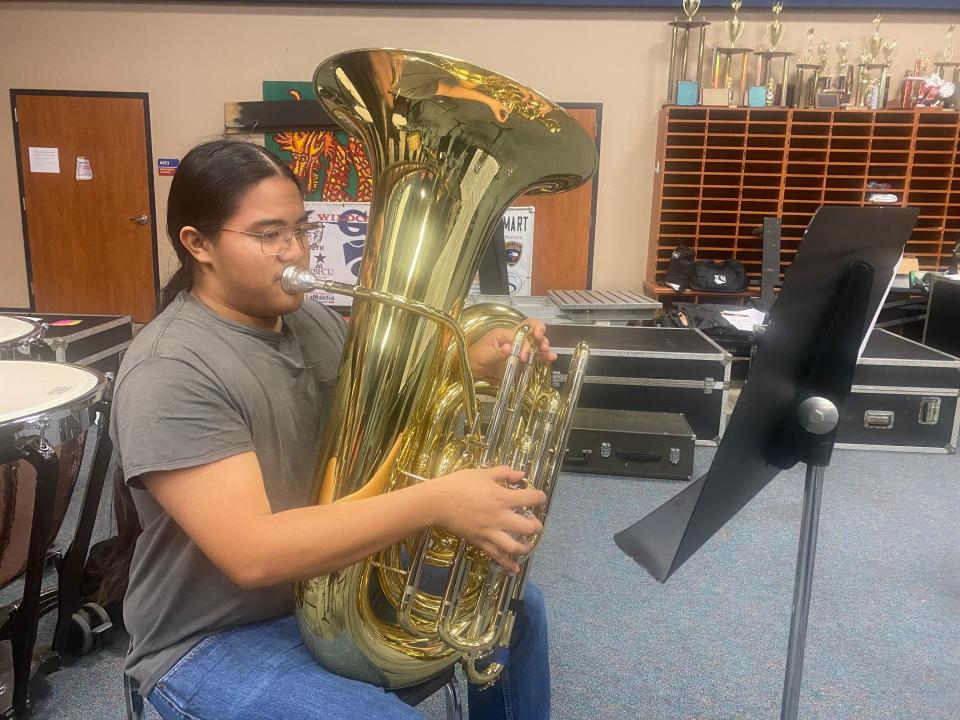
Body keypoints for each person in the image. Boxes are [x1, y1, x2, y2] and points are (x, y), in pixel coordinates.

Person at [107, 138, 558, 720]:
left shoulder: (313, 321)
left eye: (301, 230)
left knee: (515, 612)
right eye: (269, 234)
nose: (295, 251)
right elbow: (254, 554)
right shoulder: (170, 370)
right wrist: (436, 502)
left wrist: (472, 367)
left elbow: (395, 410)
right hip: (211, 635)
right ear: (198, 244)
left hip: (326, 589)